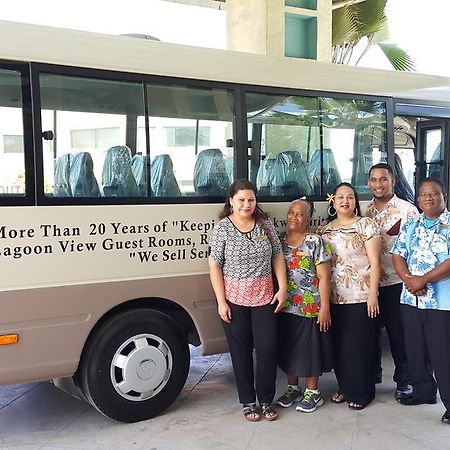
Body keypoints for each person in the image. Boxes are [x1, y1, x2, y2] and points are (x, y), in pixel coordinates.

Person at [208, 178, 287, 422]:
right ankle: (248, 401)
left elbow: (277, 255)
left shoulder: (265, 225)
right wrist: (221, 301)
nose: (246, 204)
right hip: (234, 300)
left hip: (265, 297)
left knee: (267, 348)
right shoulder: (222, 228)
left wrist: (282, 288)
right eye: (241, 200)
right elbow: (214, 264)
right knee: (240, 352)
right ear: (231, 201)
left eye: (251, 199)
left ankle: (266, 399)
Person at [391, 177, 450, 425]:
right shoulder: (412, 224)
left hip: (441, 302)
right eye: (423, 194)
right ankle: (423, 392)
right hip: (411, 298)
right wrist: (408, 279)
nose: (428, 198)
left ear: (443, 196)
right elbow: (398, 253)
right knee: (414, 350)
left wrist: (422, 279)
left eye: (433, 194)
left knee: (442, 354)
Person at [317, 182, 381, 410]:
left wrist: (373, 294)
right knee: (339, 346)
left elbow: (375, 263)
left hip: (360, 296)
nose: (345, 201)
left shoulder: (366, 225)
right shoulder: (324, 230)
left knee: (359, 347)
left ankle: (362, 393)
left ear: (355, 201)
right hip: (333, 297)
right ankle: (345, 387)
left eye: (350, 197)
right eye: (341, 197)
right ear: (332, 201)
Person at [363, 163, 418, 400]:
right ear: (368, 183)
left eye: (383, 179)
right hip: (369, 286)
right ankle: (372, 376)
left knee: (398, 336)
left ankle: (404, 381)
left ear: (393, 181)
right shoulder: (363, 212)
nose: (378, 184)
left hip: (397, 284)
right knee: (369, 335)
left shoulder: (408, 210)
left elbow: (416, 249)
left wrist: (412, 280)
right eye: (374, 180)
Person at [276, 198, 333, 413]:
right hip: (285, 305)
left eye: (300, 214)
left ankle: (313, 392)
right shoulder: (280, 241)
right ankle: (293, 388)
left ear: (308, 219)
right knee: (288, 348)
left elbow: (325, 277)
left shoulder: (316, 242)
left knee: (310, 350)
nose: (294, 217)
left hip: (311, 307)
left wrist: (325, 307)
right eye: (291, 212)